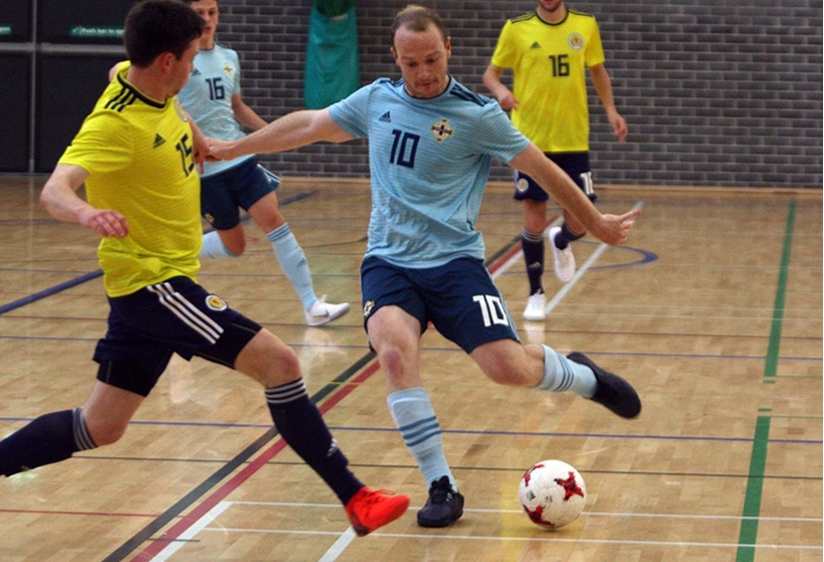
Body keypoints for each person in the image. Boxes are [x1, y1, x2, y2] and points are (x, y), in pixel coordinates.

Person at [0, 1, 408, 548]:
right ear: (168, 61)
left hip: (144, 290)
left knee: (100, 426)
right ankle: (354, 497)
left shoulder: (145, 81)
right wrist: (85, 212)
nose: (196, 69)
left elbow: (129, 80)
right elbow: (55, 189)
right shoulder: (113, 124)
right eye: (191, 59)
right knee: (282, 363)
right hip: (154, 284)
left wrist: (195, 135)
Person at [207, 4, 641, 529]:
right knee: (393, 352)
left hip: (455, 263)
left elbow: (544, 169)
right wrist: (234, 146)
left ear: (449, 49)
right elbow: (311, 125)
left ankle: (583, 376)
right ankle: (441, 484)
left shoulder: (478, 116)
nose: (424, 72)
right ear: (396, 58)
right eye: (411, 63)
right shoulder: (377, 100)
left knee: (507, 369)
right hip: (389, 261)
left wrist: (593, 222)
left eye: (432, 59)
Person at [178, 0, 350, 327]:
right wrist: (196, 141)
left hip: (239, 157)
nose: (207, 19)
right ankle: (180, 250)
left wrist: (268, 134)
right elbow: (171, 109)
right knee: (235, 246)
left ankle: (312, 306)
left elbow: (236, 105)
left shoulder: (229, 57)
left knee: (274, 219)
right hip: (205, 170)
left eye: (212, 12)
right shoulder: (178, 62)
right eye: (199, 13)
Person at [483, 0, 628, 321]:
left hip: (572, 139)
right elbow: (490, 74)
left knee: (582, 219)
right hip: (529, 143)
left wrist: (611, 110)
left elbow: (598, 71)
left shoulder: (585, 25)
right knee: (534, 217)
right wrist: (501, 92)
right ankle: (536, 292)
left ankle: (561, 239)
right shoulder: (516, 28)